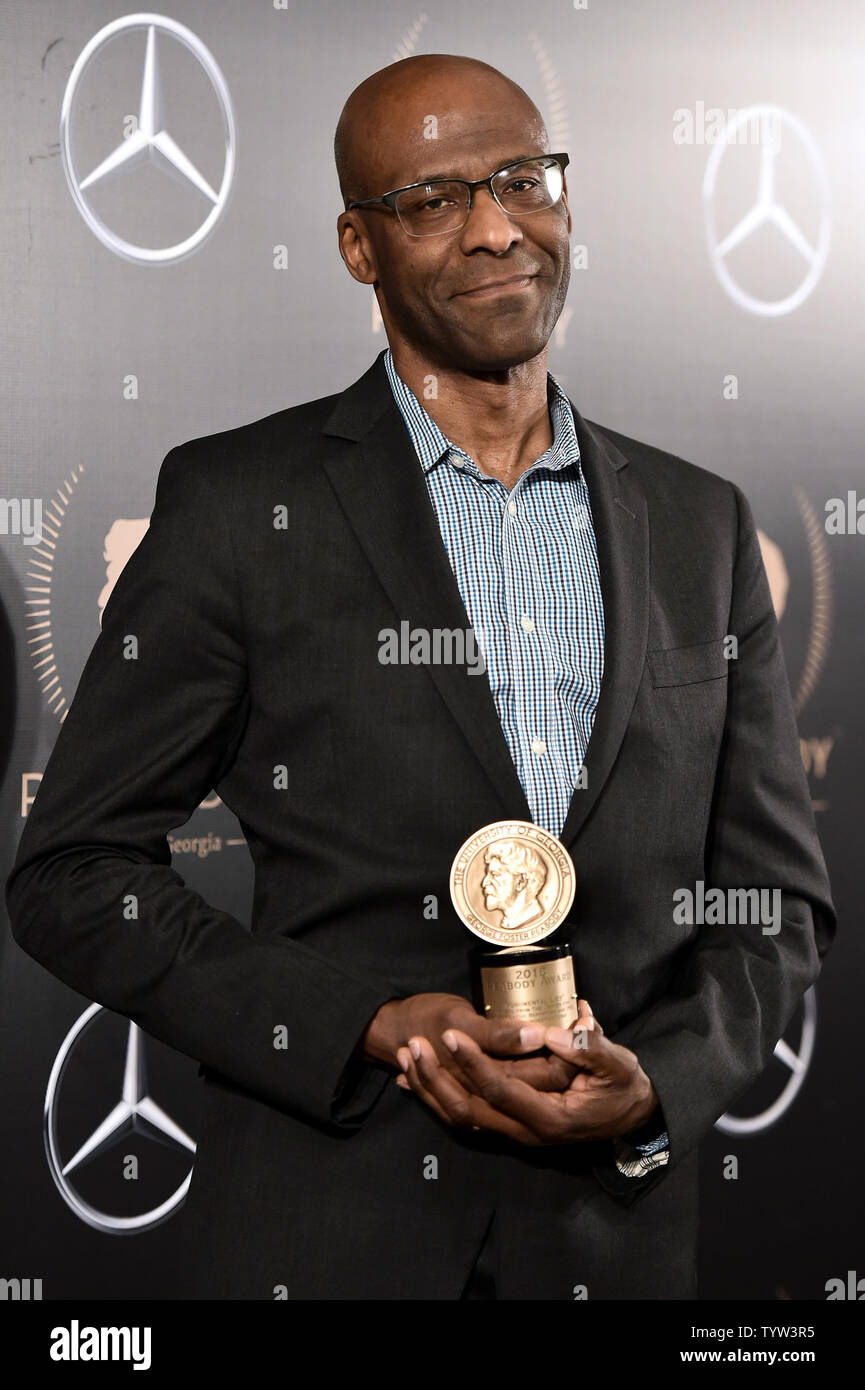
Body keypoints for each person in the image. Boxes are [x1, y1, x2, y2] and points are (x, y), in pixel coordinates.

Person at [5, 53, 835, 1300]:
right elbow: (72, 873)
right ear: (357, 245)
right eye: (435, 200)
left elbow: (773, 900)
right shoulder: (242, 506)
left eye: (521, 179)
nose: (498, 227)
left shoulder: (699, 525)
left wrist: (659, 1078)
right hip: (326, 1233)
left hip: (614, 1249)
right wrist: (366, 1026)